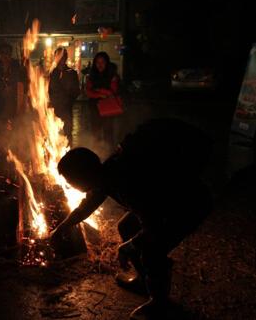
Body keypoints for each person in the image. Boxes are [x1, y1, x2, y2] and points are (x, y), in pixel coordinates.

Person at [50, 119, 213, 320]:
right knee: (126, 226)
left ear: (82, 176)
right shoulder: (105, 174)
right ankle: (143, 280)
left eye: (69, 180)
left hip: (187, 206)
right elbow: (86, 207)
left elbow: (153, 227)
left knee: (152, 250)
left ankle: (159, 304)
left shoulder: (126, 183)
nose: (68, 184)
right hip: (164, 206)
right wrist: (62, 228)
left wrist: (128, 246)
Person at [85, 52, 120, 147]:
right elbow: (88, 92)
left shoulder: (112, 76)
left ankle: (108, 153)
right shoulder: (91, 76)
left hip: (108, 108)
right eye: (97, 62)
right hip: (94, 108)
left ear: (107, 63)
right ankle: (97, 152)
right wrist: (101, 94)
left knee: (108, 132)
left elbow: (113, 92)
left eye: (102, 62)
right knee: (95, 132)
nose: (100, 65)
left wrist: (98, 90)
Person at [48, 47, 80, 144]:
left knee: (67, 132)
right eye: (59, 56)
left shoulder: (71, 73)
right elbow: (50, 89)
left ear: (66, 57)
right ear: (56, 57)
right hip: (55, 107)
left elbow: (76, 91)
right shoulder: (53, 73)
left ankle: (68, 152)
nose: (62, 58)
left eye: (64, 56)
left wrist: (68, 98)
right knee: (54, 132)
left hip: (66, 107)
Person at [0, 43, 27, 124]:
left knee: (15, 128)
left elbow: (23, 85)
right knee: (2, 130)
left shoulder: (16, 67)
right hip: (0, 105)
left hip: (14, 105)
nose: (6, 56)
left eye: (8, 53)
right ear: (0, 54)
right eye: (3, 53)